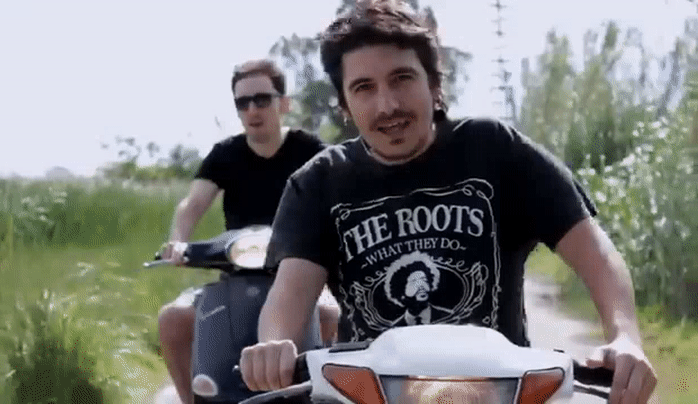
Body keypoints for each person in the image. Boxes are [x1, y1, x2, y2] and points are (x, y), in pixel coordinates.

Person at [238, 1, 658, 403]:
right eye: (364, 88)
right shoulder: (317, 183)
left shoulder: (496, 151)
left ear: (435, 85)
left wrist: (625, 337)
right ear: (345, 105)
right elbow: (288, 296)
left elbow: (595, 252)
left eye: (402, 78)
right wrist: (274, 345)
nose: (388, 105)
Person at [157, 58, 340, 404]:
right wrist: (177, 242)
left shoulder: (312, 152)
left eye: (262, 99)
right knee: (173, 319)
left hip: (302, 274)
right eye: (243, 103)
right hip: (235, 275)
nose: (252, 110)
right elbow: (192, 205)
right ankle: (190, 400)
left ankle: (329, 396)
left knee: (331, 314)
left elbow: (338, 201)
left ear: (283, 103)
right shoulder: (224, 154)